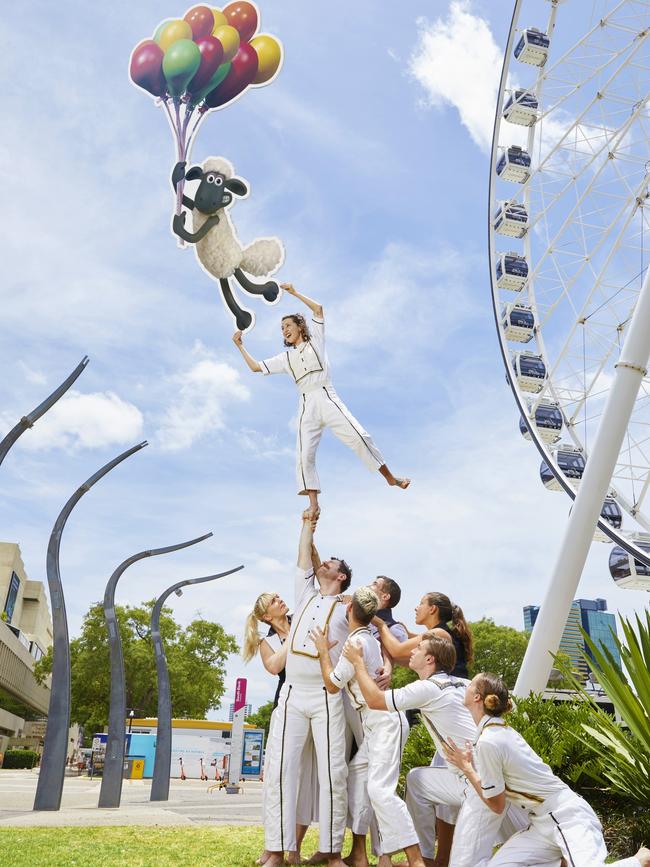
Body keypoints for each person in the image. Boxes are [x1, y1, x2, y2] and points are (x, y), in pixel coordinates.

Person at [232, 282, 410, 518]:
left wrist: (294, 293)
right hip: (306, 404)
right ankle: (314, 504)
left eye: (287, 325)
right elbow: (255, 367)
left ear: (299, 326)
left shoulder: (315, 340)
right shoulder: (286, 358)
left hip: (327, 396)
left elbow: (319, 310)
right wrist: (239, 346)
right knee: (304, 454)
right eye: (281, 328)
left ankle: (390, 478)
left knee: (359, 437)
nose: (284, 330)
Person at [444, 673, 650, 867]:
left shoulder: (490, 739)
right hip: (541, 825)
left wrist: (467, 768)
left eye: (471, 684)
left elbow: (496, 805)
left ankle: (641, 859)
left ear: (477, 697)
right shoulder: (496, 732)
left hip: (566, 816)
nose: (466, 685)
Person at [262, 512, 351, 867]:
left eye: (330, 561)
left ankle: (331, 852)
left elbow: (372, 620)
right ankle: (275, 850)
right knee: (281, 768)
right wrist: (307, 524)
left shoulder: (347, 609)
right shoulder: (304, 594)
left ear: (341, 576)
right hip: (293, 694)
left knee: (333, 773)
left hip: (328, 696)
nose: (322, 561)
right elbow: (304, 555)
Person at [311, 588, 423, 867]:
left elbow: (332, 685)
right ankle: (361, 854)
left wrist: (324, 651)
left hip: (385, 723)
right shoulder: (367, 638)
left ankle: (415, 860)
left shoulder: (356, 645)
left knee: (380, 791)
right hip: (375, 723)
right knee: (357, 778)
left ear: (350, 611)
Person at [243, 592, 316, 865]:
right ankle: (272, 846)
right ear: (266, 616)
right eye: (274, 601)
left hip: (315, 703)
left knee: (307, 779)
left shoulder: (305, 618)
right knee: (280, 777)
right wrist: (294, 634)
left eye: (278, 597)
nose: (281, 600)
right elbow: (274, 667)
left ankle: (295, 848)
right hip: (286, 708)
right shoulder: (268, 642)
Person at [373, 592, 473, 679]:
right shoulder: (442, 633)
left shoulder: (439, 633)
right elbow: (404, 659)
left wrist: (381, 624)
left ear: (432, 609)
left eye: (421, 603)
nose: (416, 608)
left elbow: (397, 651)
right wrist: (407, 634)